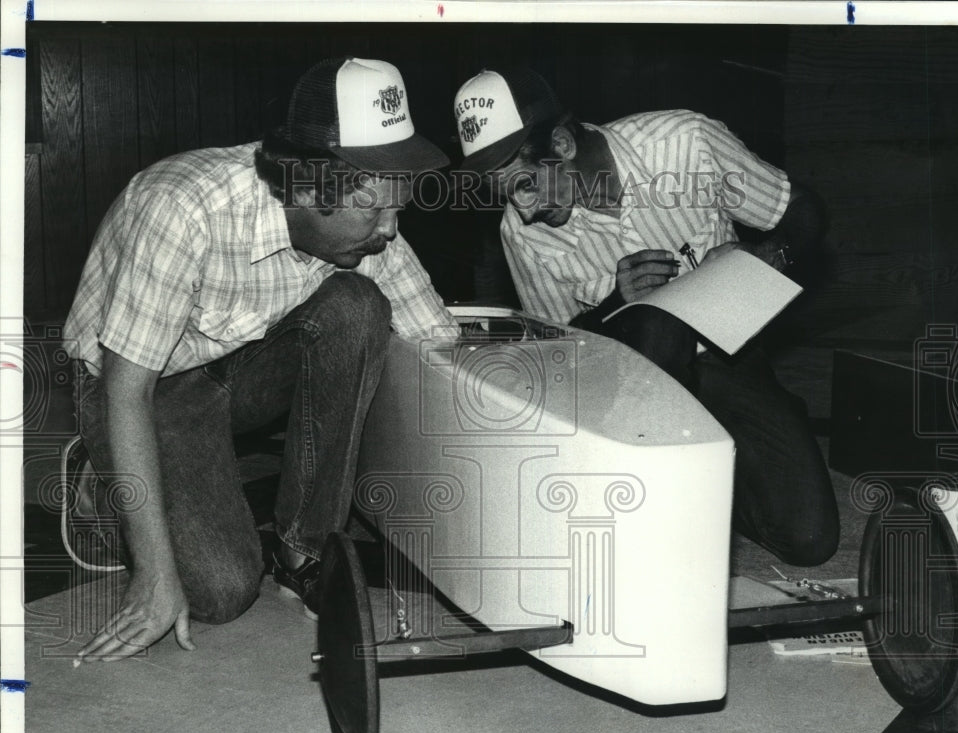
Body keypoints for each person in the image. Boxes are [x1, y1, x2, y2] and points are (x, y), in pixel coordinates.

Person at [63, 57, 459, 662]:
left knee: (358, 304)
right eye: (374, 209)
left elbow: (438, 345)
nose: (389, 229)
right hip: (143, 388)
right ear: (305, 186)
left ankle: (303, 549)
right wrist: (152, 574)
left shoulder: (367, 222)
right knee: (219, 592)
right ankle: (102, 478)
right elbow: (127, 391)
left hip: (240, 363)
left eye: (397, 206)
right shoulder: (182, 208)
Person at [452, 68, 839, 567]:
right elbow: (556, 360)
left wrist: (768, 257)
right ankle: (638, 516)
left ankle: (716, 475)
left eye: (525, 185)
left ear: (564, 143)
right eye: (505, 194)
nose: (521, 211)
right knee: (656, 323)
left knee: (809, 538)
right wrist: (616, 304)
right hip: (621, 391)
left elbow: (803, 209)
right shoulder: (522, 233)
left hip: (725, 356)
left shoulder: (684, 144)